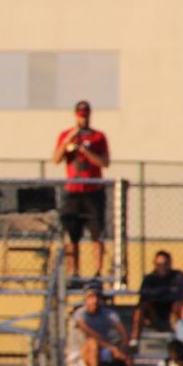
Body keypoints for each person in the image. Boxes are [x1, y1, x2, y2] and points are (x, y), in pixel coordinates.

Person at [51, 99, 110, 278]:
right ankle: (73, 271)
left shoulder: (98, 137)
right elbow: (56, 159)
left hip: (93, 192)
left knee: (96, 235)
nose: (83, 119)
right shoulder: (66, 135)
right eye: (80, 116)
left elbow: (104, 162)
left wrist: (86, 151)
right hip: (73, 192)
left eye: (85, 116)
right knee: (72, 235)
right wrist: (71, 138)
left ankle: (97, 271)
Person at [64, 285, 129, 366]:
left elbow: (124, 334)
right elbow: (91, 334)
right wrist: (112, 348)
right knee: (93, 343)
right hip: (78, 355)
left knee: (124, 348)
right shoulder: (79, 314)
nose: (95, 300)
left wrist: (123, 346)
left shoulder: (108, 313)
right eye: (91, 297)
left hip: (101, 350)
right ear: (85, 299)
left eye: (97, 297)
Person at [133, 250, 183, 337]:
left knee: (178, 304)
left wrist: (156, 294)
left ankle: (180, 339)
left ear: (170, 264)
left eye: (165, 264)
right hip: (154, 313)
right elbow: (144, 295)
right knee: (141, 307)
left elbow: (179, 294)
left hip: (171, 312)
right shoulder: (150, 278)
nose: (162, 267)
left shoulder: (177, 276)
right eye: (159, 264)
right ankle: (134, 340)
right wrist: (167, 290)